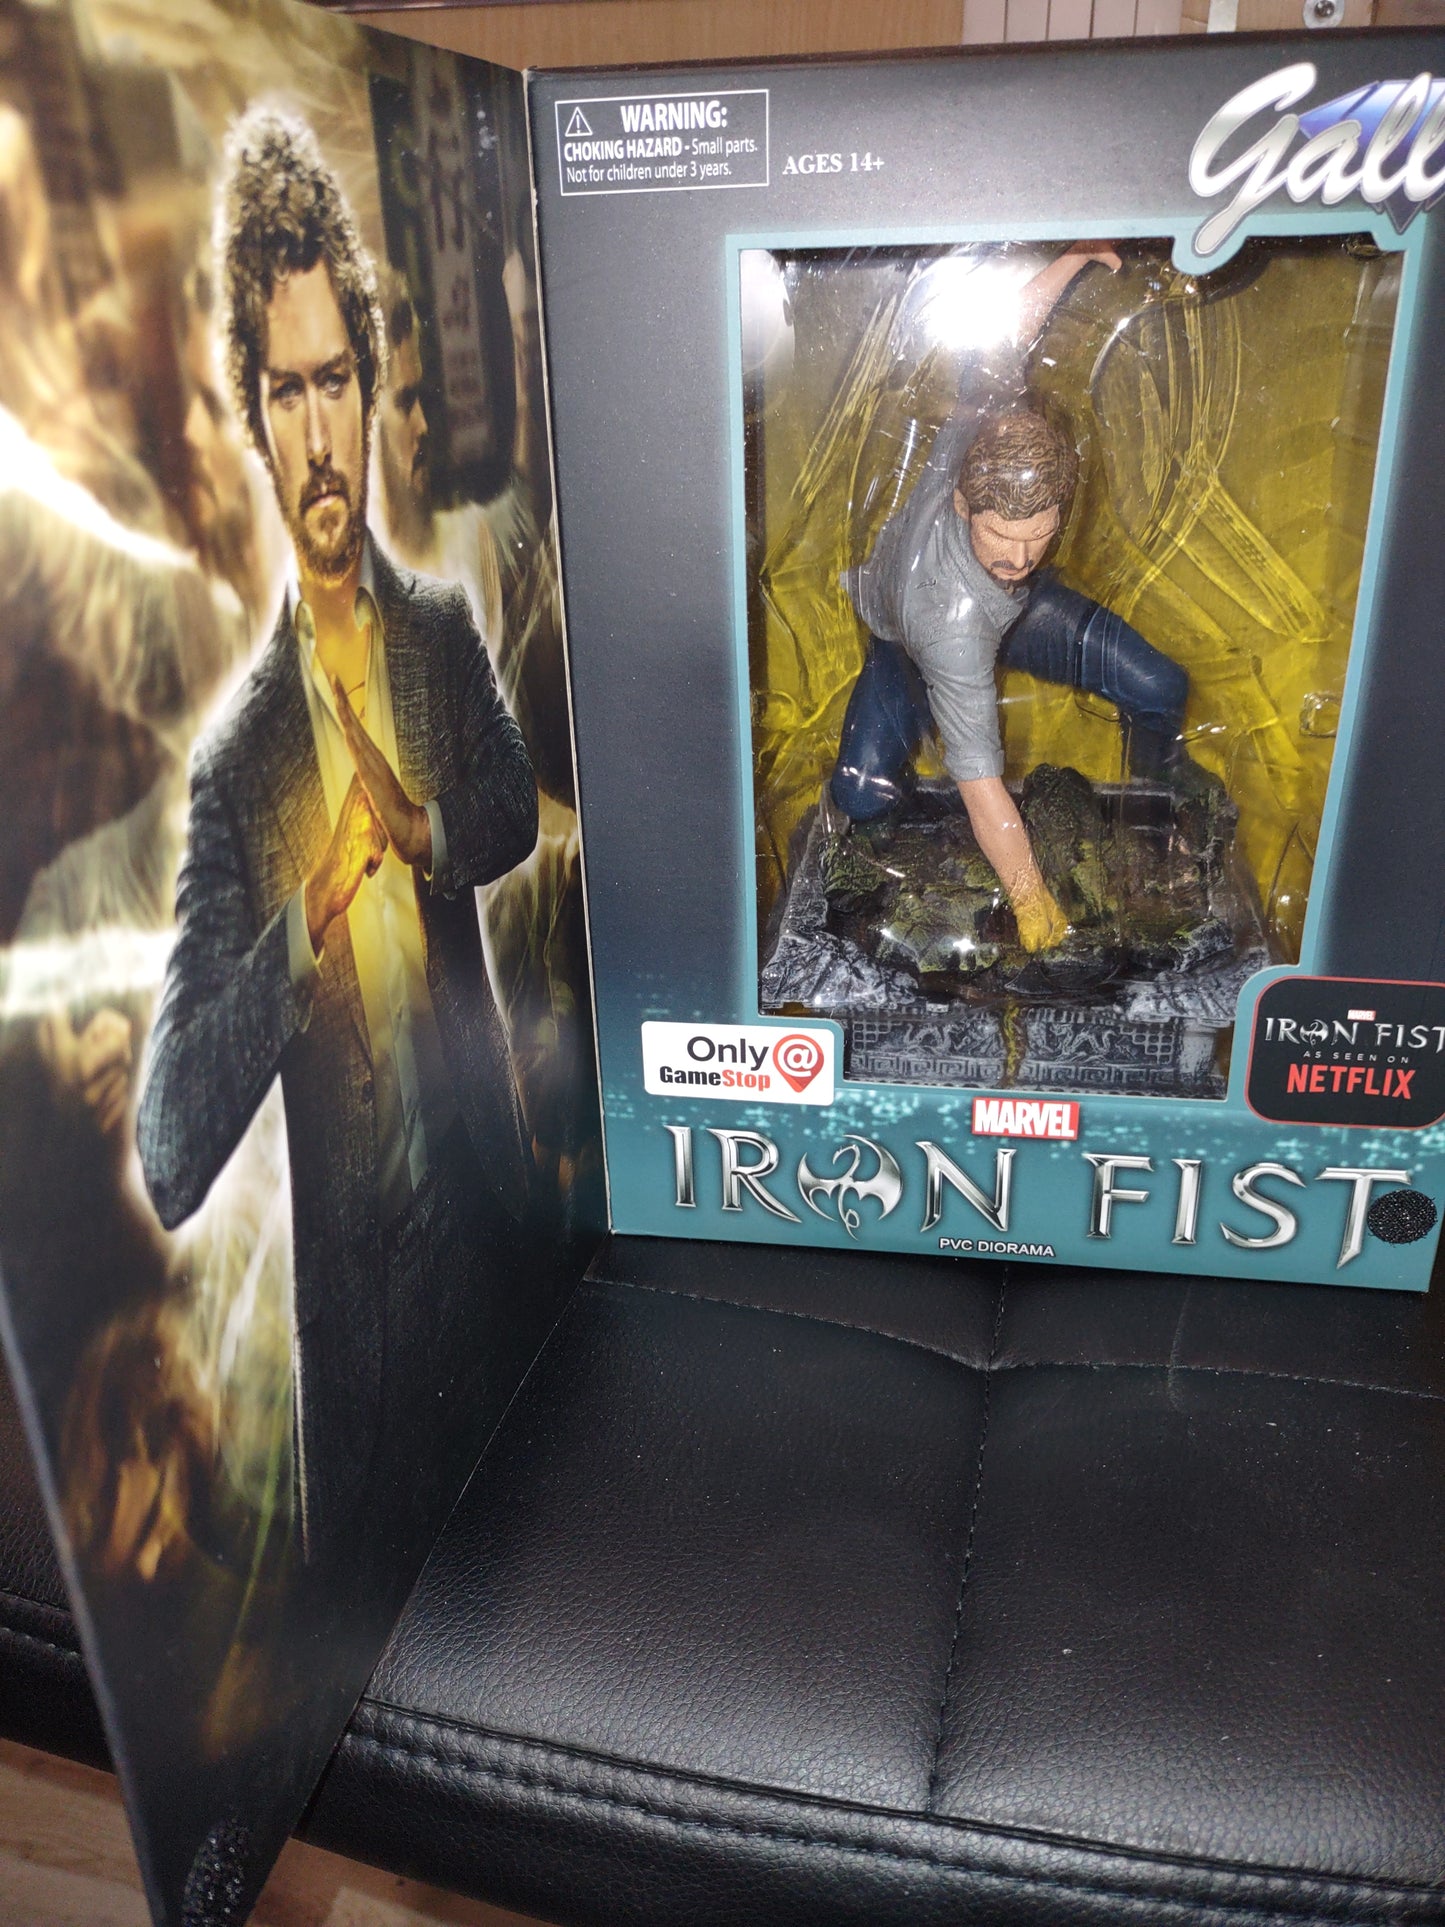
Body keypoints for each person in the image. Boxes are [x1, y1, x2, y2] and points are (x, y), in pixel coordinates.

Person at [136, 109, 538, 1562]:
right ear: (254, 420)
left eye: (336, 383)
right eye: (285, 393)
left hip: (503, 1255)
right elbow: (169, 1148)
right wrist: (298, 922)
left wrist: (420, 828)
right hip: (368, 1361)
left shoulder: (438, 631)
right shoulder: (239, 766)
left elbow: (508, 810)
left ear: (370, 387)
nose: (319, 437)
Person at [833, 242, 1193, 953]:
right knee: (862, 793)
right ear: (964, 504)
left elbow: (1004, 335)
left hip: (1013, 613)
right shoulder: (947, 624)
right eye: (1002, 535)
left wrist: (1073, 259)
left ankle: (1162, 798)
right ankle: (884, 869)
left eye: (1040, 535)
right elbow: (982, 786)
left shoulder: (981, 432)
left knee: (1159, 685)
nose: (1022, 557)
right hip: (909, 640)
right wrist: (1030, 900)